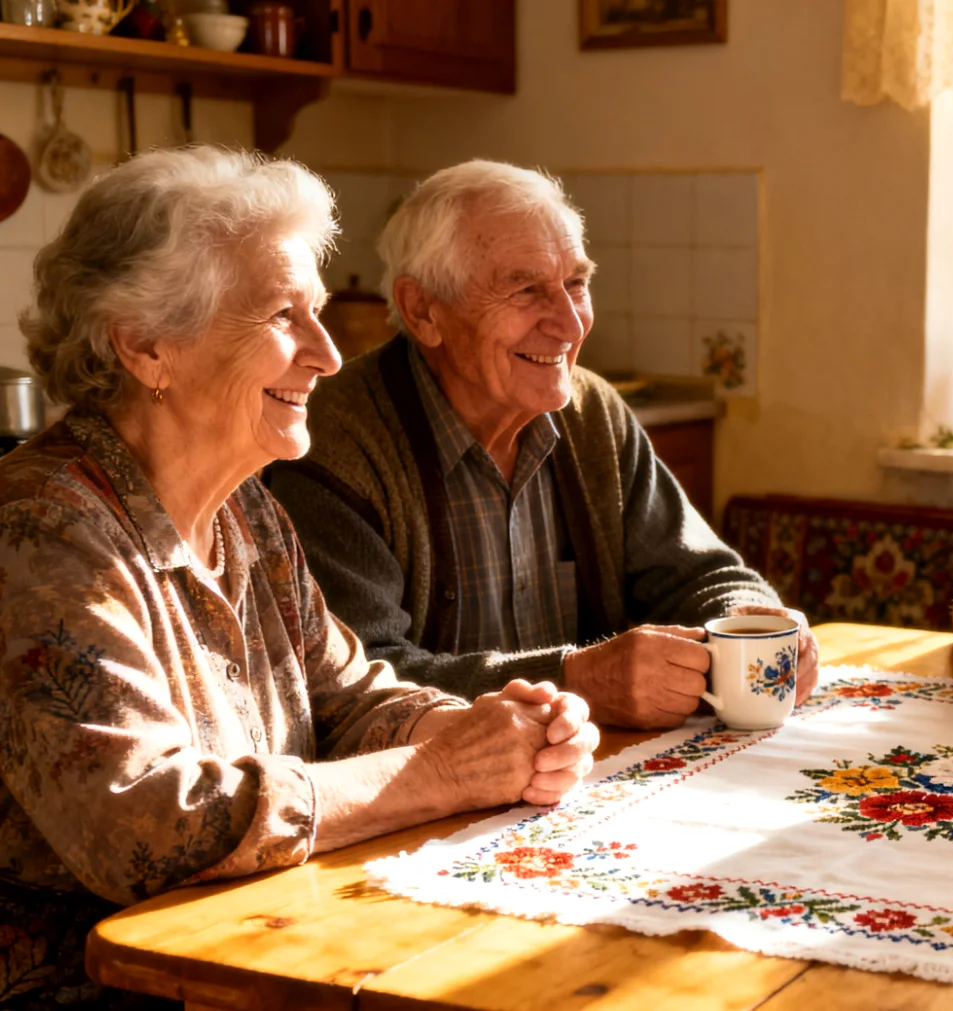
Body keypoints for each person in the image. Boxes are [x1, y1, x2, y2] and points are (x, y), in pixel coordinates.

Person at [0, 147, 601, 1010]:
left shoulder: (248, 512)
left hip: (265, 951)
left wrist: (497, 729)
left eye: (317, 313)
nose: (326, 352)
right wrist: (441, 773)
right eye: (285, 315)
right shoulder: (41, 528)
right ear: (146, 344)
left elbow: (346, 696)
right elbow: (146, 819)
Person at [263, 161, 816, 730]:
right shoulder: (335, 440)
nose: (571, 324)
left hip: (585, 775)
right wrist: (578, 682)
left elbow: (698, 575)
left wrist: (752, 619)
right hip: (432, 789)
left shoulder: (591, 413)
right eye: (526, 290)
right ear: (423, 311)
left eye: (576, 283)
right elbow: (356, 685)